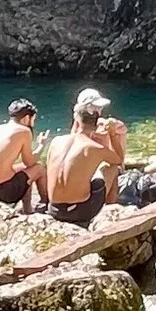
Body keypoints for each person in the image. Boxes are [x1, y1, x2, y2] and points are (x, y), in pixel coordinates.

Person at [41, 94, 121, 224]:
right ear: (96, 125)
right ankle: (110, 209)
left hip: (54, 209)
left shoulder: (56, 141)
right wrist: (112, 134)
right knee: (111, 168)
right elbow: (118, 160)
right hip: (80, 212)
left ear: (77, 120)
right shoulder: (95, 147)